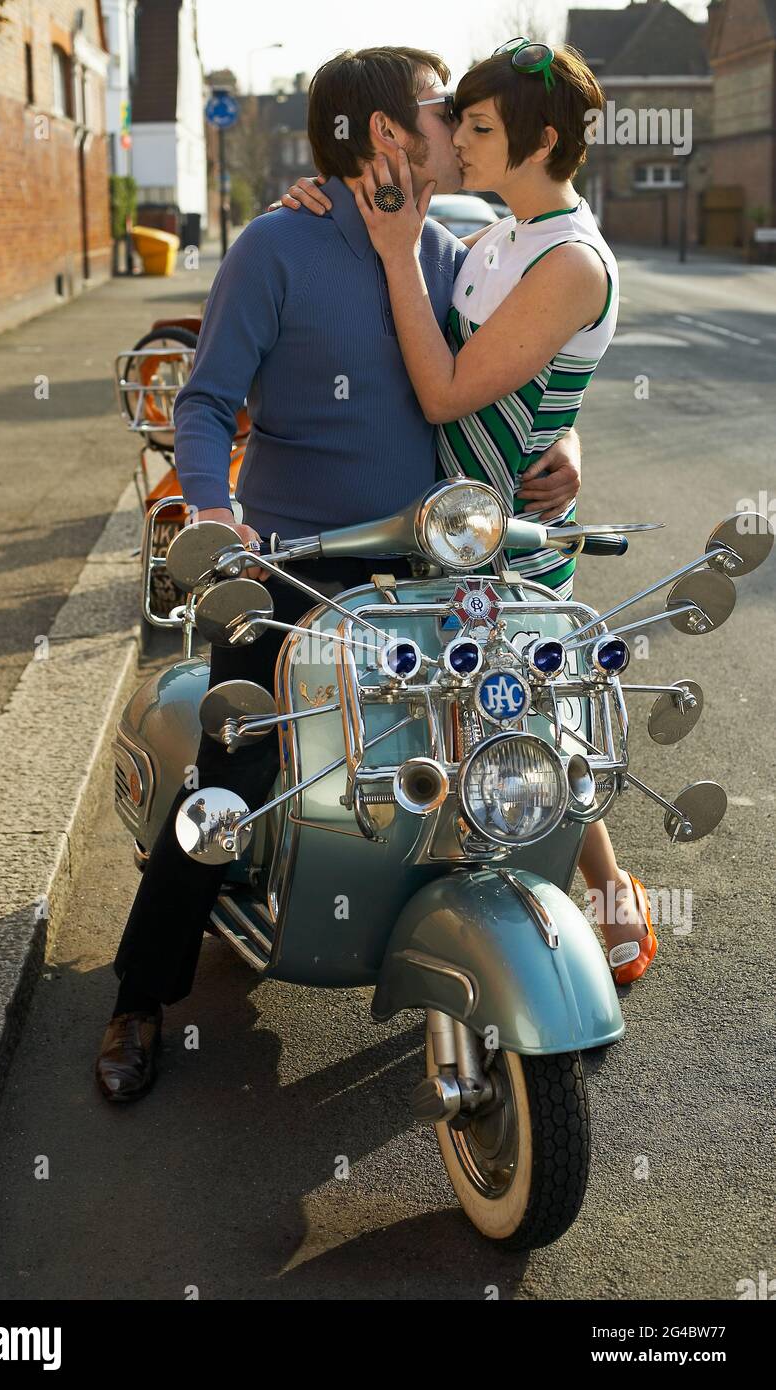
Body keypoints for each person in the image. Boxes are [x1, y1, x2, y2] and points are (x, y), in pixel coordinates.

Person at [94, 46, 583, 1103]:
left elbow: (510, 374)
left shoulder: (452, 249)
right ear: (381, 136)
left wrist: (569, 442)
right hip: (297, 561)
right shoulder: (274, 245)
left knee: (507, 733)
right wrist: (213, 519)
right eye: (436, 107)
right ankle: (140, 993)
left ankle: (508, 962)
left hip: (426, 558)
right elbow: (205, 402)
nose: (457, 120)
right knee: (233, 773)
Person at [279, 40, 658, 987]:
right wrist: (315, 195)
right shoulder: (496, 233)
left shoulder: (569, 258)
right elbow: (544, 384)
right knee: (476, 714)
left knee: (531, 717)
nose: (458, 139)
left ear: (538, 141)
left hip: (512, 540)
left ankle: (606, 889)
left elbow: (449, 393)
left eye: (479, 127)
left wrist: (401, 254)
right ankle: (474, 891)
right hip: (454, 530)